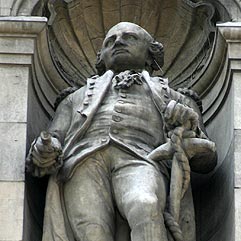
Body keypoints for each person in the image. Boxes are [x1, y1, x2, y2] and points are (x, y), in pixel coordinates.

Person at [27, 22, 217, 241]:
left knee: (146, 205)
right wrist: (46, 149)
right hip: (83, 161)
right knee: (92, 231)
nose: (118, 42)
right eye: (110, 41)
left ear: (149, 54)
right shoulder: (74, 98)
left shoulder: (177, 98)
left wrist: (188, 128)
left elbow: (208, 159)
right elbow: (54, 138)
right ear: (101, 57)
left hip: (143, 159)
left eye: (130, 37)